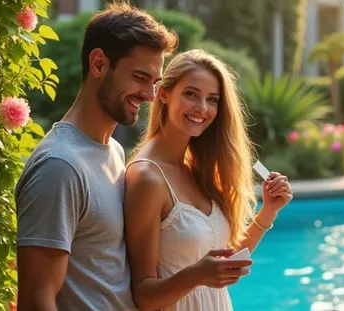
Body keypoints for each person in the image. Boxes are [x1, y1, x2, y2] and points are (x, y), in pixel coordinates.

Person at [14, 3, 177, 310]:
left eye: (154, 83)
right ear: (99, 64)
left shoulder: (113, 150)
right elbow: (37, 300)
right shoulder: (60, 166)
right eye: (140, 77)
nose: (150, 95)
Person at [123, 49, 294, 311]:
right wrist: (197, 275)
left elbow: (223, 260)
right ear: (164, 94)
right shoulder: (148, 178)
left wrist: (268, 212)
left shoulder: (195, 168)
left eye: (212, 99)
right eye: (191, 94)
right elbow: (143, 296)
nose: (202, 108)